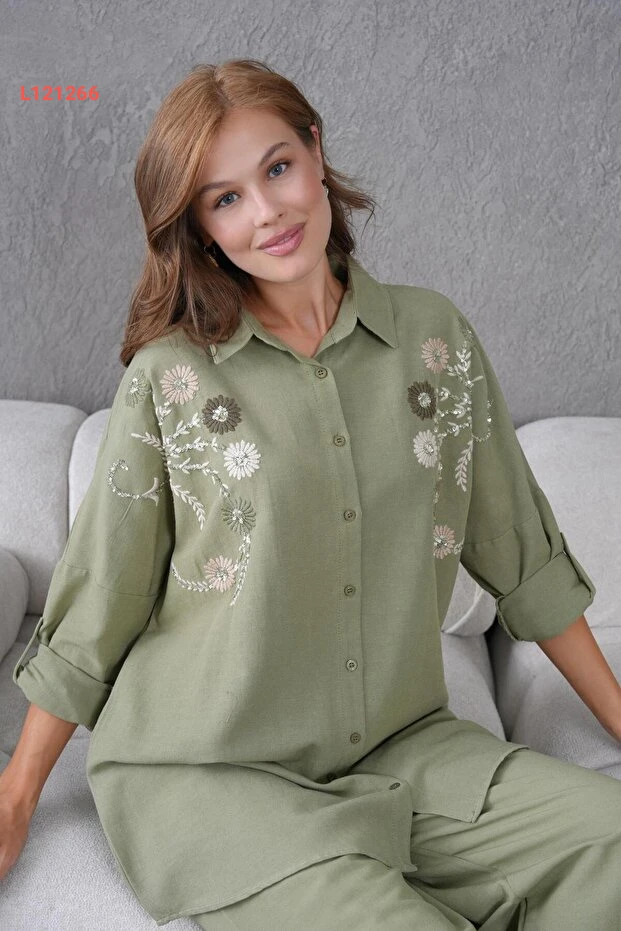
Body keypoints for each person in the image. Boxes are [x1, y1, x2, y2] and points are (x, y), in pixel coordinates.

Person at [2, 58, 621, 931]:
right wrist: (16, 795)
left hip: (406, 749)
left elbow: (524, 560)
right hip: (216, 777)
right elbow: (99, 602)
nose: (266, 211)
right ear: (201, 229)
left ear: (315, 151)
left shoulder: (434, 342)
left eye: (278, 168)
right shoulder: (171, 380)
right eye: (225, 199)